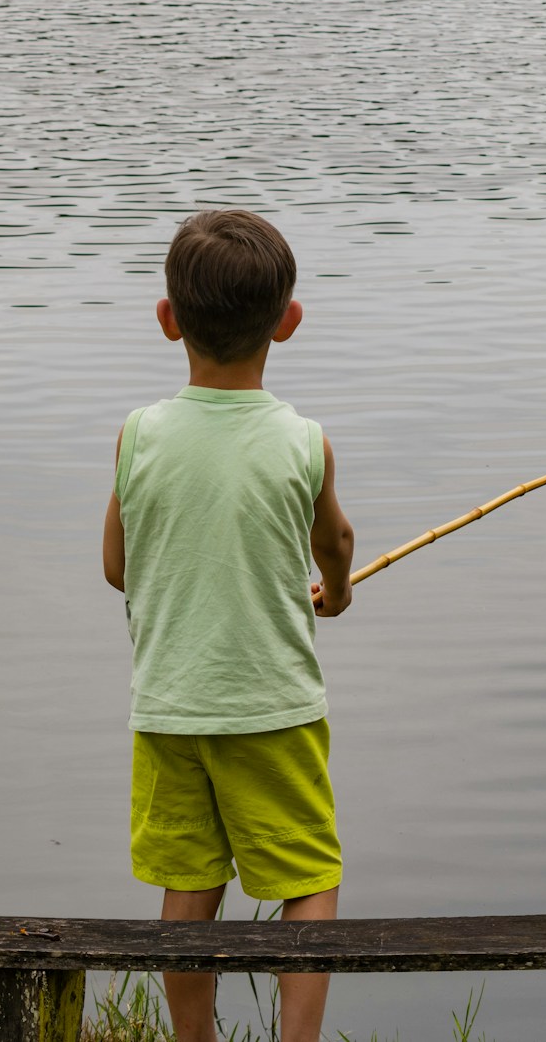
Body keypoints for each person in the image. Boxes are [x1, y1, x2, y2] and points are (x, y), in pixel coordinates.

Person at [102, 208, 355, 1042]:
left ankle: (193, 1040)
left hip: (169, 707)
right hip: (273, 708)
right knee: (309, 878)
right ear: (289, 323)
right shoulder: (304, 441)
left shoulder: (137, 435)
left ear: (168, 319)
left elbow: (117, 566)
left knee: (189, 884)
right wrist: (338, 589)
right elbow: (336, 541)